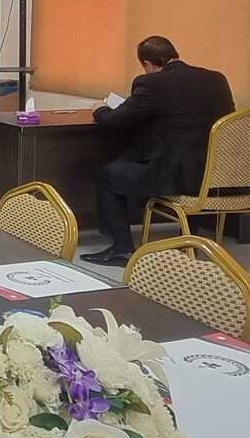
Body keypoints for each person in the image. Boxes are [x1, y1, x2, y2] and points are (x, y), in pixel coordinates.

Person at [80, 36, 234, 267]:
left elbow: (115, 120)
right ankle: (188, 241)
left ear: (148, 64)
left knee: (107, 174)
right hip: (215, 175)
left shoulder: (151, 83)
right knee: (179, 164)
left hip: (175, 174)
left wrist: (100, 108)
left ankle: (122, 249)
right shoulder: (216, 79)